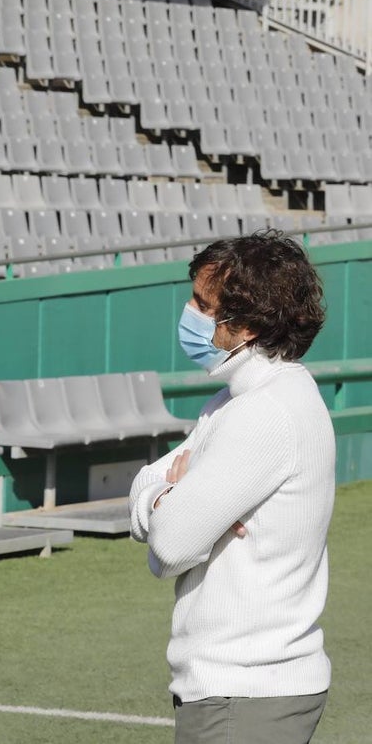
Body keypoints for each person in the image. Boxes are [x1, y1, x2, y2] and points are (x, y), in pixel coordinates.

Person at [129, 231, 333, 743]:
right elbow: (151, 484)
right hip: (243, 691)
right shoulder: (233, 401)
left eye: (203, 303)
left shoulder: (264, 412)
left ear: (245, 325)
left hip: (244, 694)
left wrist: (171, 508)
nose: (188, 312)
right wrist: (166, 497)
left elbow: (170, 547)